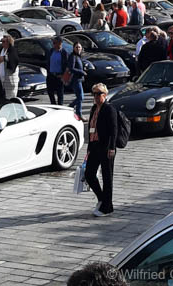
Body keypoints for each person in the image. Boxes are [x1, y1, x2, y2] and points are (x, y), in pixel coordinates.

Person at [85, 83, 117, 217]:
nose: (96, 97)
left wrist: (112, 148)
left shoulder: (109, 109)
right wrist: (88, 148)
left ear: (105, 94)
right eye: (94, 94)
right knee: (89, 174)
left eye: (98, 94)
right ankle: (102, 199)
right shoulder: (94, 108)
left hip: (106, 147)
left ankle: (107, 208)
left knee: (107, 177)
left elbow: (114, 130)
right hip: (94, 146)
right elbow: (90, 129)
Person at [0, 34, 20, 102]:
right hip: (3, 76)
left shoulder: (12, 50)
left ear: (9, 42)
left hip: (10, 76)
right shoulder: (1, 50)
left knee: (11, 95)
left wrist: (4, 58)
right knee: (5, 94)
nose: (2, 43)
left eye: (4, 41)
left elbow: (14, 59)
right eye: (1, 41)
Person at [46, 36, 70, 105]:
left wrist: (63, 75)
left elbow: (66, 65)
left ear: (60, 43)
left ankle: (60, 107)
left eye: (54, 43)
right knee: (50, 92)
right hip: (51, 75)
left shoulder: (64, 53)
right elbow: (48, 62)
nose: (53, 44)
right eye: (53, 43)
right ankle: (53, 105)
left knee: (60, 94)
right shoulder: (51, 51)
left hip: (59, 76)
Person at [67, 42, 87, 120]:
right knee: (80, 97)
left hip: (79, 79)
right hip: (75, 79)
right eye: (76, 47)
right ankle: (78, 113)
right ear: (73, 48)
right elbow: (71, 68)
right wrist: (81, 72)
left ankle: (70, 107)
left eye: (79, 47)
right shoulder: (72, 56)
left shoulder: (79, 56)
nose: (78, 49)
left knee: (80, 97)